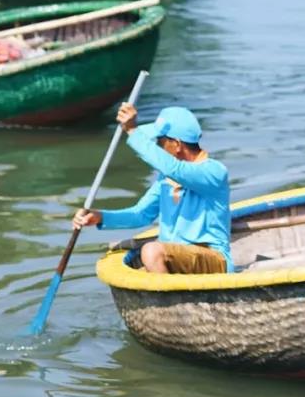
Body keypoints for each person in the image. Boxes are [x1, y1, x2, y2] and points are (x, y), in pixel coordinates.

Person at [73, 103, 231, 274]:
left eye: (160, 142)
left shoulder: (213, 171)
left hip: (211, 258)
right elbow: (140, 215)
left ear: (177, 145)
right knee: (144, 259)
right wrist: (99, 217)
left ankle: (169, 299)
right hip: (171, 255)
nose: (158, 147)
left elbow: (173, 168)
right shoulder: (166, 178)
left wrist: (133, 131)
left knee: (151, 251)